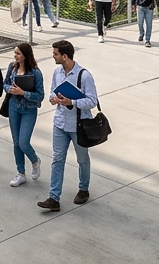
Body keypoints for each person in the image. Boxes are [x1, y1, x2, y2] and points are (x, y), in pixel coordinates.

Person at [37, 40, 97, 212]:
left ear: (65, 56)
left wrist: (72, 101)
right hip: (60, 123)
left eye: (55, 54)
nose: (53, 56)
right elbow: (51, 94)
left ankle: (83, 189)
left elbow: (92, 101)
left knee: (82, 159)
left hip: (79, 126)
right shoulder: (57, 72)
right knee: (57, 160)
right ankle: (54, 197)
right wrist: (54, 99)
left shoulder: (84, 76)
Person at [4, 42, 44, 187]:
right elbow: (5, 83)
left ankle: (35, 160)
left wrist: (23, 93)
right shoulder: (12, 67)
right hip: (14, 107)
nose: (15, 56)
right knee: (16, 143)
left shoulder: (35, 73)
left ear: (25, 56)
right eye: (15, 53)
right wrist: (10, 89)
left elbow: (40, 96)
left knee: (23, 142)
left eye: (18, 53)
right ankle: (20, 173)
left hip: (29, 110)